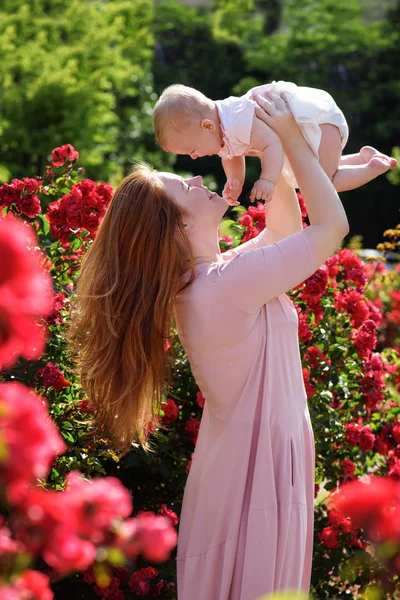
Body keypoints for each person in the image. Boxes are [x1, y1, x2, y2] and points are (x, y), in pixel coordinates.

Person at [68, 92, 349, 599]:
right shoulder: (224, 286)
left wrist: (271, 153)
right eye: (187, 186)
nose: (198, 178)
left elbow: (283, 231)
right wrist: (288, 138)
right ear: (181, 225)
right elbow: (332, 229)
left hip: (250, 468)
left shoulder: (210, 283)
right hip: (254, 476)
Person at [152, 81, 397, 205]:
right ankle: (362, 157)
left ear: (207, 126)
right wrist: (234, 180)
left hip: (315, 121)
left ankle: (373, 167)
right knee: (312, 171)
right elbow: (231, 155)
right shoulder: (222, 128)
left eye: (192, 151)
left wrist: (267, 179)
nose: (194, 157)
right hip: (308, 126)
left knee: (322, 182)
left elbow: (271, 145)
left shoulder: (236, 119)